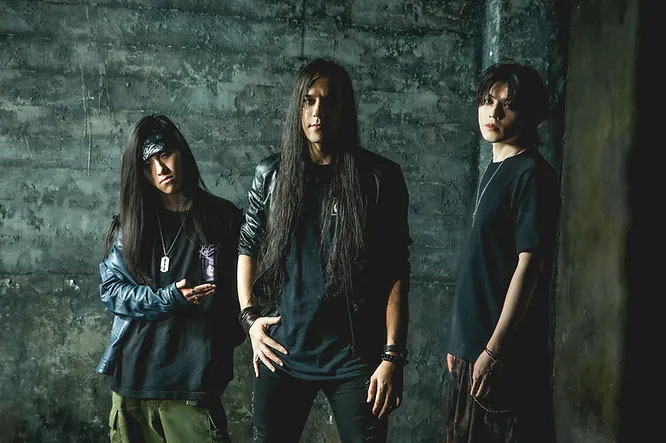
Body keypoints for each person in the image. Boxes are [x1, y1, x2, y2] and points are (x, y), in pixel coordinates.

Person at [237, 58, 411, 442]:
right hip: (284, 350)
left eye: (329, 102)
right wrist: (249, 320)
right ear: (298, 108)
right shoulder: (272, 174)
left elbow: (395, 271)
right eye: (309, 100)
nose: (318, 111)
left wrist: (392, 356)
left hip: (354, 357)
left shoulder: (379, 178)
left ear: (344, 110)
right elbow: (248, 244)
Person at [96, 114, 244, 442]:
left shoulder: (223, 218)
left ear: (181, 153)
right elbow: (112, 291)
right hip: (133, 383)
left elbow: (244, 291)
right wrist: (168, 299)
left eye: (165, 155)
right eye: (148, 163)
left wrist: (219, 345)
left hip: (192, 385)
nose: (160, 169)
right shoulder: (133, 224)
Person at [446, 62, 559, 442]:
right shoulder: (496, 168)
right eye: (487, 101)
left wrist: (494, 351)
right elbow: (481, 264)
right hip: (471, 349)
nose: (493, 113)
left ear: (529, 114)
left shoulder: (532, 175)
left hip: (501, 355)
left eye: (507, 105)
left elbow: (529, 267)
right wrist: (460, 341)